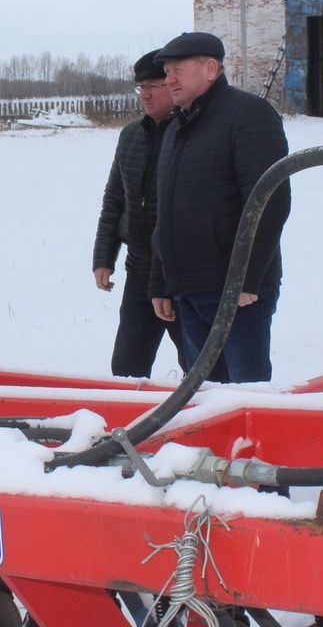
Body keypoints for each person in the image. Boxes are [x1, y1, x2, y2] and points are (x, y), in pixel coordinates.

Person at [148, 32, 291, 383]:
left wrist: (248, 276)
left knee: (246, 395)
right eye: (167, 71)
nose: (169, 80)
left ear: (210, 68)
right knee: (205, 395)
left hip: (236, 290)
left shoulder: (249, 115)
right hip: (189, 288)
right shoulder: (176, 129)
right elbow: (165, 211)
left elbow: (270, 201)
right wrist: (160, 280)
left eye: (177, 69)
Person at [92, 50, 187, 377]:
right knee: (126, 367)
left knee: (199, 367)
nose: (145, 94)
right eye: (140, 87)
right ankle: (129, 428)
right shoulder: (131, 135)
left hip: (182, 275)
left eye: (153, 85)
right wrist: (104, 256)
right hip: (140, 271)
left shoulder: (191, 135)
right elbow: (115, 198)